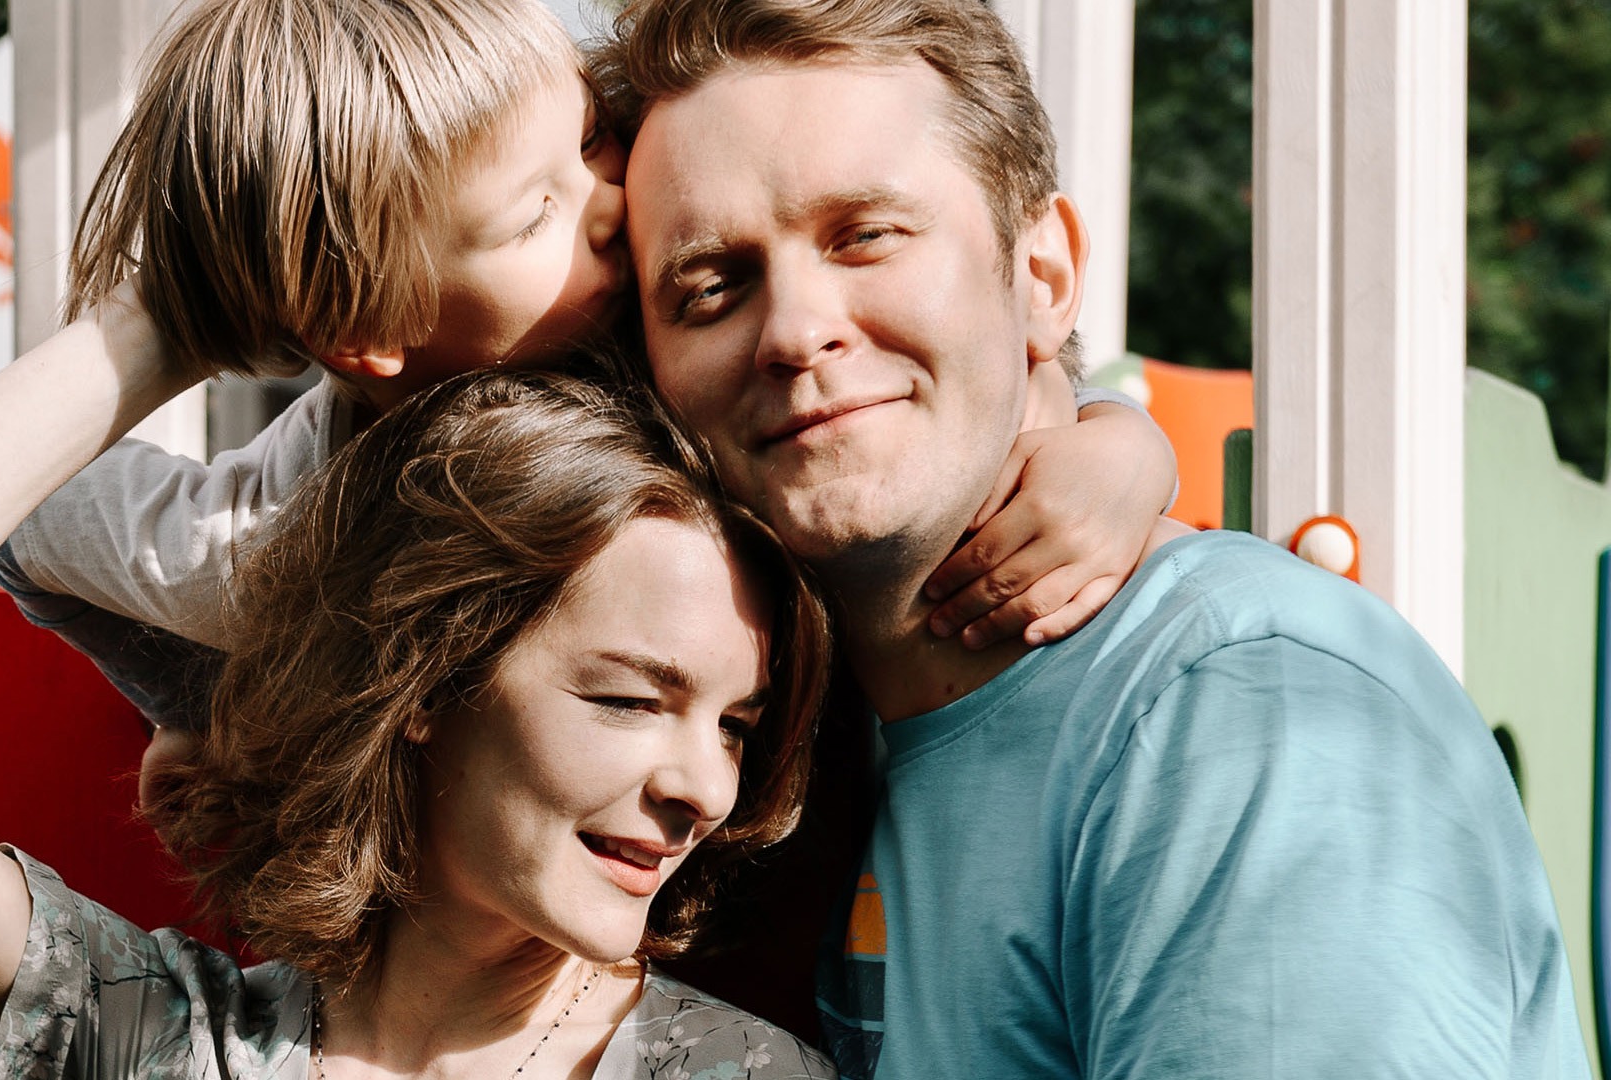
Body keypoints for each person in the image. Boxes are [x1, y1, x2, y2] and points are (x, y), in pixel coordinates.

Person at [593, 0, 1591, 1076]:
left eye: (867, 236)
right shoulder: (770, 742)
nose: (795, 331)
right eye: (710, 287)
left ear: (1046, 278)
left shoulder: (1245, 720)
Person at [0, 0, 1181, 793]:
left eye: (591, 139)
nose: (615, 203)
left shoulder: (636, 316)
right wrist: (210, 702)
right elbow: (26, 522)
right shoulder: (270, 545)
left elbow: (978, 351)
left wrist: (1121, 447)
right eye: (535, 214)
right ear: (373, 333)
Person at [0, 284, 842, 1077]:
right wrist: (179, 304)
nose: (706, 789)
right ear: (426, 678)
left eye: (735, 726)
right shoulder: (151, 1043)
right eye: (632, 699)